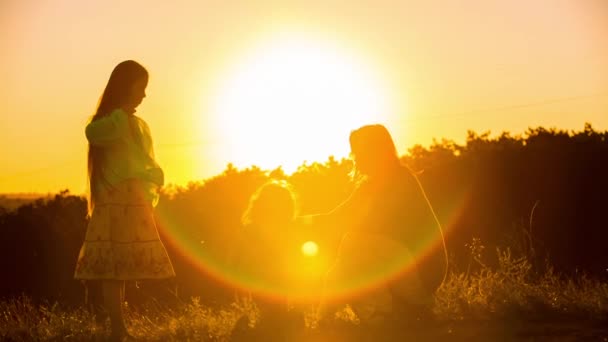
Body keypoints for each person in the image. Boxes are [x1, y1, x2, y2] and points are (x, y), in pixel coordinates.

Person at [304, 124, 448, 324]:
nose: (354, 158)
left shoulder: (400, 181)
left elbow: (352, 223)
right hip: (396, 267)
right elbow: (336, 216)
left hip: (423, 271)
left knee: (354, 245)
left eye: (358, 152)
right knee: (350, 254)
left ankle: (385, 312)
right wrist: (300, 222)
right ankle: (387, 313)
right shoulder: (370, 185)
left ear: (375, 150)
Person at [73, 60, 176, 341]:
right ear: (126, 86)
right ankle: (117, 329)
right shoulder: (111, 122)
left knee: (123, 266)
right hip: (115, 200)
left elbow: (143, 160)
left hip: (131, 200)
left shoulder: (134, 124)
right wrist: (120, 115)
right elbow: (93, 134)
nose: (143, 95)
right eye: (140, 88)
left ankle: (119, 328)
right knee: (112, 266)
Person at [230, 180, 306, 341]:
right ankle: (263, 327)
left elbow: (236, 260)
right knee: (276, 318)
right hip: (270, 283)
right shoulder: (286, 229)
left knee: (277, 317)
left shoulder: (252, 229)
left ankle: (262, 327)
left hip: (269, 283)